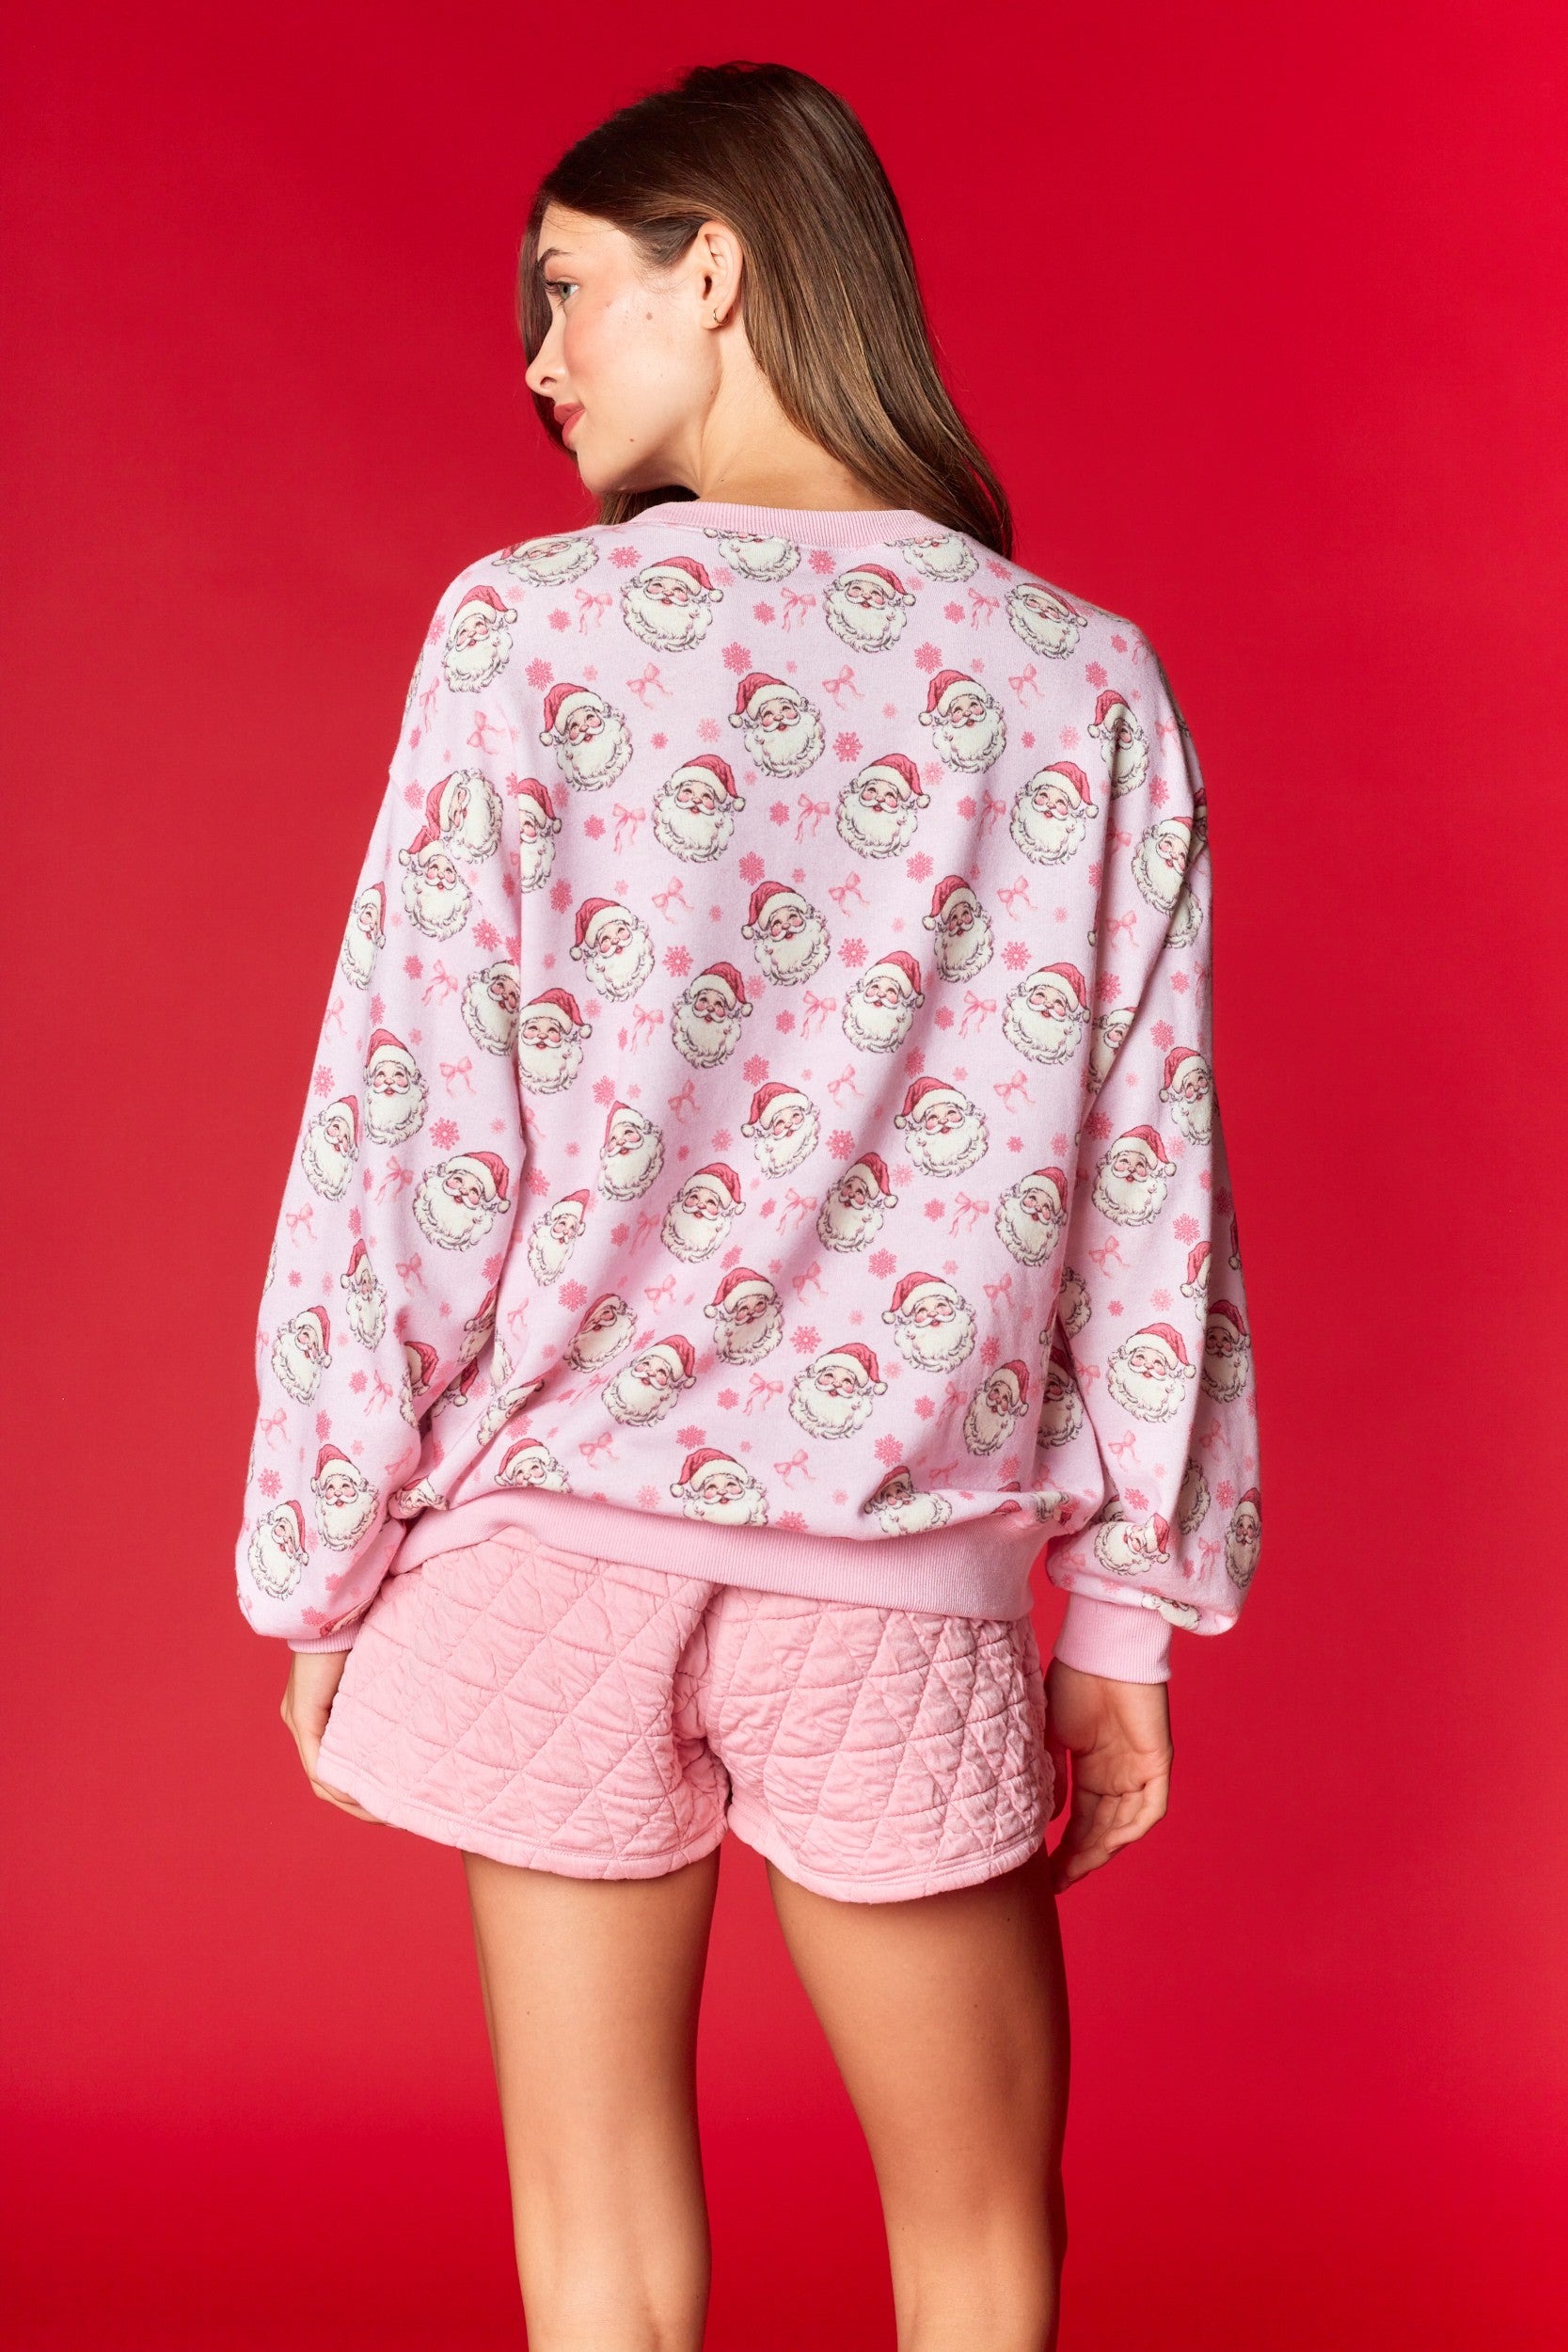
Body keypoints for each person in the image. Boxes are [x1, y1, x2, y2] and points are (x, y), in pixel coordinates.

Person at [236, 59, 1263, 2352]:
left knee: (594, 2252)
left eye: (568, 286)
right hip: (892, 1564)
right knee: (980, 2240)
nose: (538, 355)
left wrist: (320, 1548)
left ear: (716, 265)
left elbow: (408, 1128)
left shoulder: (522, 631)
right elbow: (1146, 1177)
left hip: (548, 1541)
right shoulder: (1075, 683)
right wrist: (1120, 1617)